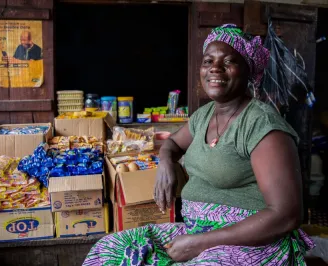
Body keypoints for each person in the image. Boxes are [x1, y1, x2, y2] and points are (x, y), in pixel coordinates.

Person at [83, 24, 314, 265]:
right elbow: (172, 143)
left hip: (251, 242)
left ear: (248, 70)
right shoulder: (204, 115)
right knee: (109, 249)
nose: (215, 68)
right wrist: (165, 162)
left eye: (229, 61)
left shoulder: (261, 125)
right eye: (208, 61)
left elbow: (286, 215)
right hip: (198, 232)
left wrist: (199, 243)